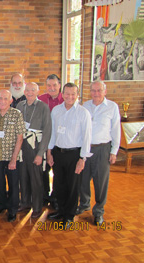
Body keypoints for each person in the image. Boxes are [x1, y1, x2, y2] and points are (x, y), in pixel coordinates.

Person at [46, 83, 92, 229]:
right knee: (59, 184)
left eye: (73, 94)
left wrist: (82, 158)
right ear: (62, 93)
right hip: (58, 153)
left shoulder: (83, 113)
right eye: (67, 93)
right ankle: (61, 210)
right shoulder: (56, 110)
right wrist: (49, 152)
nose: (70, 97)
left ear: (77, 95)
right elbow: (52, 133)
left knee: (73, 186)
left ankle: (69, 215)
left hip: (74, 154)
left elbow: (87, 137)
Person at [77, 81, 121, 226]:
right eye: (93, 90)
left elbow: (115, 130)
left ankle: (99, 211)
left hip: (103, 149)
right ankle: (84, 204)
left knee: (100, 182)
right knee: (83, 179)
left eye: (99, 90)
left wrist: (114, 151)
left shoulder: (112, 107)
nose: (96, 93)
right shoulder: (85, 106)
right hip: (86, 148)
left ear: (105, 91)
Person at [0, 90, 25, 222]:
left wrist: (14, 159)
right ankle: (2, 204)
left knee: (13, 185)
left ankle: (13, 209)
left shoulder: (17, 114)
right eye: (0, 98)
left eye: (5, 98)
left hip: (11, 157)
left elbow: (20, 138)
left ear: (10, 100)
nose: (2, 101)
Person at [16, 82, 51, 218]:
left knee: (36, 178)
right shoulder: (20, 106)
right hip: (21, 144)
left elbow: (47, 131)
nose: (29, 92)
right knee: (23, 176)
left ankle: (37, 206)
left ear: (38, 91)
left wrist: (40, 154)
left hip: (35, 145)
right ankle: (25, 202)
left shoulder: (43, 107)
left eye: (33, 90)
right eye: (27, 90)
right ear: (24, 91)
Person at [38, 74, 64, 207]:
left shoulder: (67, 99)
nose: (52, 88)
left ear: (59, 85)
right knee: (44, 170)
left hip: (60, 141)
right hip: (44, 141)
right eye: (49, 85)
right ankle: (44, 195)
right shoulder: (41, 99)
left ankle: (56, 198)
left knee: (58, 172)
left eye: (54, 85)